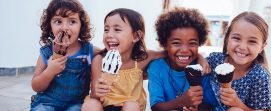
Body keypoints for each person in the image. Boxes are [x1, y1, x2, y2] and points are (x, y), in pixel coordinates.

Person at [81, 8, 210, 111]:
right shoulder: (99, 60)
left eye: (117, 29)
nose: (109, 34)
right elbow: (94, 96)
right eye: (106, 29)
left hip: (130, 107)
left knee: (131, 105)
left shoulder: (143, 59)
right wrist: (97, 92)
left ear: (136, 36)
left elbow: (173, 52)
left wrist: (200, 58)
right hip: (103, 105)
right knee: (90, 104)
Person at [30, 0, 99, 110]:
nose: (64, 28)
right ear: (50, 25)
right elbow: (36, 86)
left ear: (81, 25)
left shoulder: (88, 51)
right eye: (58, 22)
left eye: (72, 21)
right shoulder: (47, 52)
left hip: (76, 103)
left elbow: (108, 54)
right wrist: (49, 72)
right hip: (47, 102)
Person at [203, 12, 271, 111]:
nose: (242, 47)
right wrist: (201, 59)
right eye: (237, 38)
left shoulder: (259, 76)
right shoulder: (215, 60)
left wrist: (238, 104)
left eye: (252, 41)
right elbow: (198, 64)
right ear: (227, 38)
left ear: (262, 47)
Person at [147, 7, 213, 111]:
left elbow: (209, 103)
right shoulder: (156, 67)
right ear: (165, 44)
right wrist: (182, 101)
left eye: (192, 43)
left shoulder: (203, 68)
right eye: (176, 43)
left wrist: (197, 109)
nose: (185, 50)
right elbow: (156, 107)